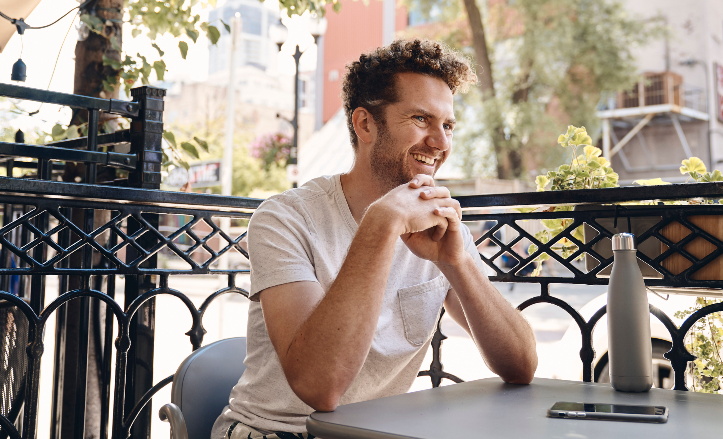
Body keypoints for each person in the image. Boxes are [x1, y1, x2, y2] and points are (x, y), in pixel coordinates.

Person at [212, 39, 538, 439]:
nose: (440, 143)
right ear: (365, 124)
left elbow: (521, 365)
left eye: (447, 125)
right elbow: (320, 387)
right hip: (275, 432)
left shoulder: (438, 222)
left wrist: (459, 264)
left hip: (376, 433)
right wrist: (380, 227)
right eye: (421, 119)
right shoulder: (284, 218)